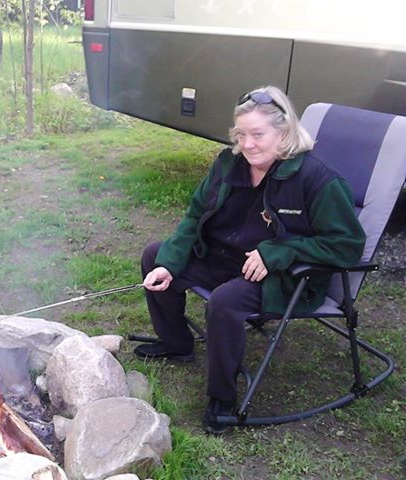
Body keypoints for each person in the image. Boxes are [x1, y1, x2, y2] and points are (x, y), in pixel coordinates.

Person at [136, 86, 366, 434]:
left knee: (225, 301)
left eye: (258, 135)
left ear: (283, 132)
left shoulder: (317, 178)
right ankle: (176, 344)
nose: (247, 144)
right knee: (155, 254)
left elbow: (347, 245)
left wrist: (280, 251)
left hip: (282, 276)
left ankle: (222, 399)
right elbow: (195, 215)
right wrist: (169, 265)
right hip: (222, 257)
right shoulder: (229, 163)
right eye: (241, 134)